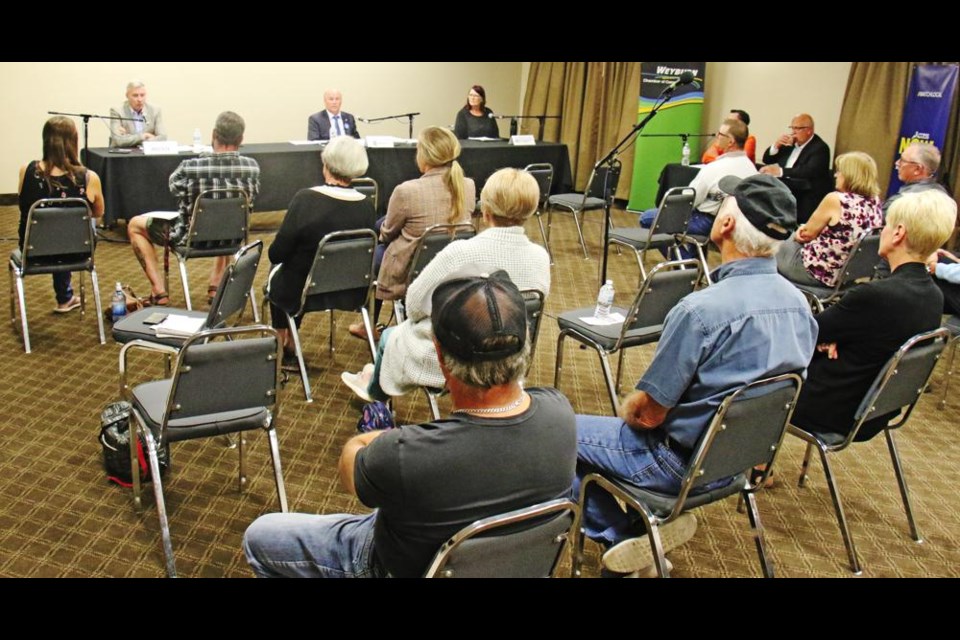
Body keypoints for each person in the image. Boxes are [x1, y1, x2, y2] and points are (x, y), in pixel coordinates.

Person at [243, 270, 577, 578]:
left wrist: (379, 438)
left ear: (441, 358)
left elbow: (351, 468)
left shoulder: (406, 453)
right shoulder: (561, 413)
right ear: (525, 345)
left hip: (390, 564)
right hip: (513, 564)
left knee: (261, 536)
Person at [576, 174, 818, 577]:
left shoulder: (700, 312)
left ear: (724, 226)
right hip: (734, 462)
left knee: (558, 435)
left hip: (673, 464)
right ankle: (642, 535)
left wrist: (629, 408)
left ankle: (623, 539)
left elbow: (648, 416)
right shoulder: (802, 307)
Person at [341, 168, 550, 401]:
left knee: (390, 337)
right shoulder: (540, 257)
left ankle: (374, 392)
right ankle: (373, 381)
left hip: (456, 357)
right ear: (532, 209)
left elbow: (414, 305)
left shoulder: (460, 252)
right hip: (509, 359)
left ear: (486, 209)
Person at [793, 190, 956, 443]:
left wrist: (829, 336)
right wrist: (834, 336)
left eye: (887, 225)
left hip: (831, 409)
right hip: (875, 411)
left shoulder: (875, 295)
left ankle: (757, 465)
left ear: (899, 233)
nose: (882, 230)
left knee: (761, 363)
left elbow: (805, 332)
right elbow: (856, 334)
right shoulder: (933, 295)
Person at [347, 126, 475, 340]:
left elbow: (387, 234)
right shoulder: (468, 186)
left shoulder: (407, 190)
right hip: (451, 262)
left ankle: (369, 323)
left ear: (424, 155)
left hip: (409, 268)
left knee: (377, 248)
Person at [126, 111, 260, 306]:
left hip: (190, 239)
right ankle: (215, 285)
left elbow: (173, 187)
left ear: (214, 135)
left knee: (134, 225)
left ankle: (159, 291)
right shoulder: (253, 168)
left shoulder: (190, 167)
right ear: (241, 138)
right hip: (232, 237)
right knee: (226, 216)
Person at [266, 136, 377, 368]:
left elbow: (277, 253)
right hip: (348, 289)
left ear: (325, 162)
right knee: (298, 269)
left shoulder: (307, 199)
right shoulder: (366, 205)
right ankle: (288, 341)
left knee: (279, 273)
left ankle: (281, 341)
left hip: (303, 291)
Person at [18, 116, 105, 312]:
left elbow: (24, 206)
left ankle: (65, 297)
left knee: (51, 224)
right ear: (73, 141)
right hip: (77, 251)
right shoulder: (89, 177)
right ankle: (65, 298)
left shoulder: (26, 170)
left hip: (32, 250)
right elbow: (99, 213)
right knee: (76, 223)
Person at [639, 118, 757, 259]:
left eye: (720, 134)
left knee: (647, 218)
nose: (717, 137)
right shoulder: (751, 169)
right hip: (735, 224)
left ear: (730, 141)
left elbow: (689, 200)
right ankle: (694, 262)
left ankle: (686, 264)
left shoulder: (715, 168)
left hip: (708, 222)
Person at [775, 151, 883, 289]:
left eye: (840, 172)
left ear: (851, 175)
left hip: (816, 272)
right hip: (847, 277)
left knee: (772, 241)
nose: (835, 175)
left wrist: (799, 231)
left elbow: (805, 235)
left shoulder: (836, 200)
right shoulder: (875, 201)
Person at [759, 113, 833, 224]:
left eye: (797, 128)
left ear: (809, 130)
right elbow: (767, 160)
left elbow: (808, 171)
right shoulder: (790, 143)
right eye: (792, 128)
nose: (793, 132)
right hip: (785, 187)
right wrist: (776, 145)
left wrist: (780, 171)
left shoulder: (820, 148)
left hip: (804, 194)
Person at [883, 143, 948, 217]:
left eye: (902, 160)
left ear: (917, 169)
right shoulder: (945, 197)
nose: (897, 163)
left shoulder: (899, 202)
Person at [109, 81, 167, 148]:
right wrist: (143, 136)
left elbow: (162, 137)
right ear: (127, 96)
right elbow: (118, 140)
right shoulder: (117, 111)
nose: (140, 99)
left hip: (146, 155)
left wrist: (129, 137)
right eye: (135, 95)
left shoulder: (155, 110)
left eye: (142, 95)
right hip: (123, 154)